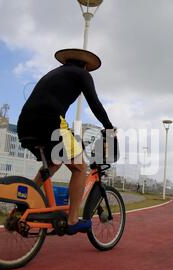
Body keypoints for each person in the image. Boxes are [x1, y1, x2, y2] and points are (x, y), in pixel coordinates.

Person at [17, 48, 114, 235]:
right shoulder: (82, 74)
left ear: (65, 62)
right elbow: (95, 104)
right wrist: (109, 126)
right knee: (80, 167)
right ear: (86, 66)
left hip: (25, 124)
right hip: (50, 122)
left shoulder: (53, 74)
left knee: (53, 163)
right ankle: (72, 220)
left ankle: (24, 202)